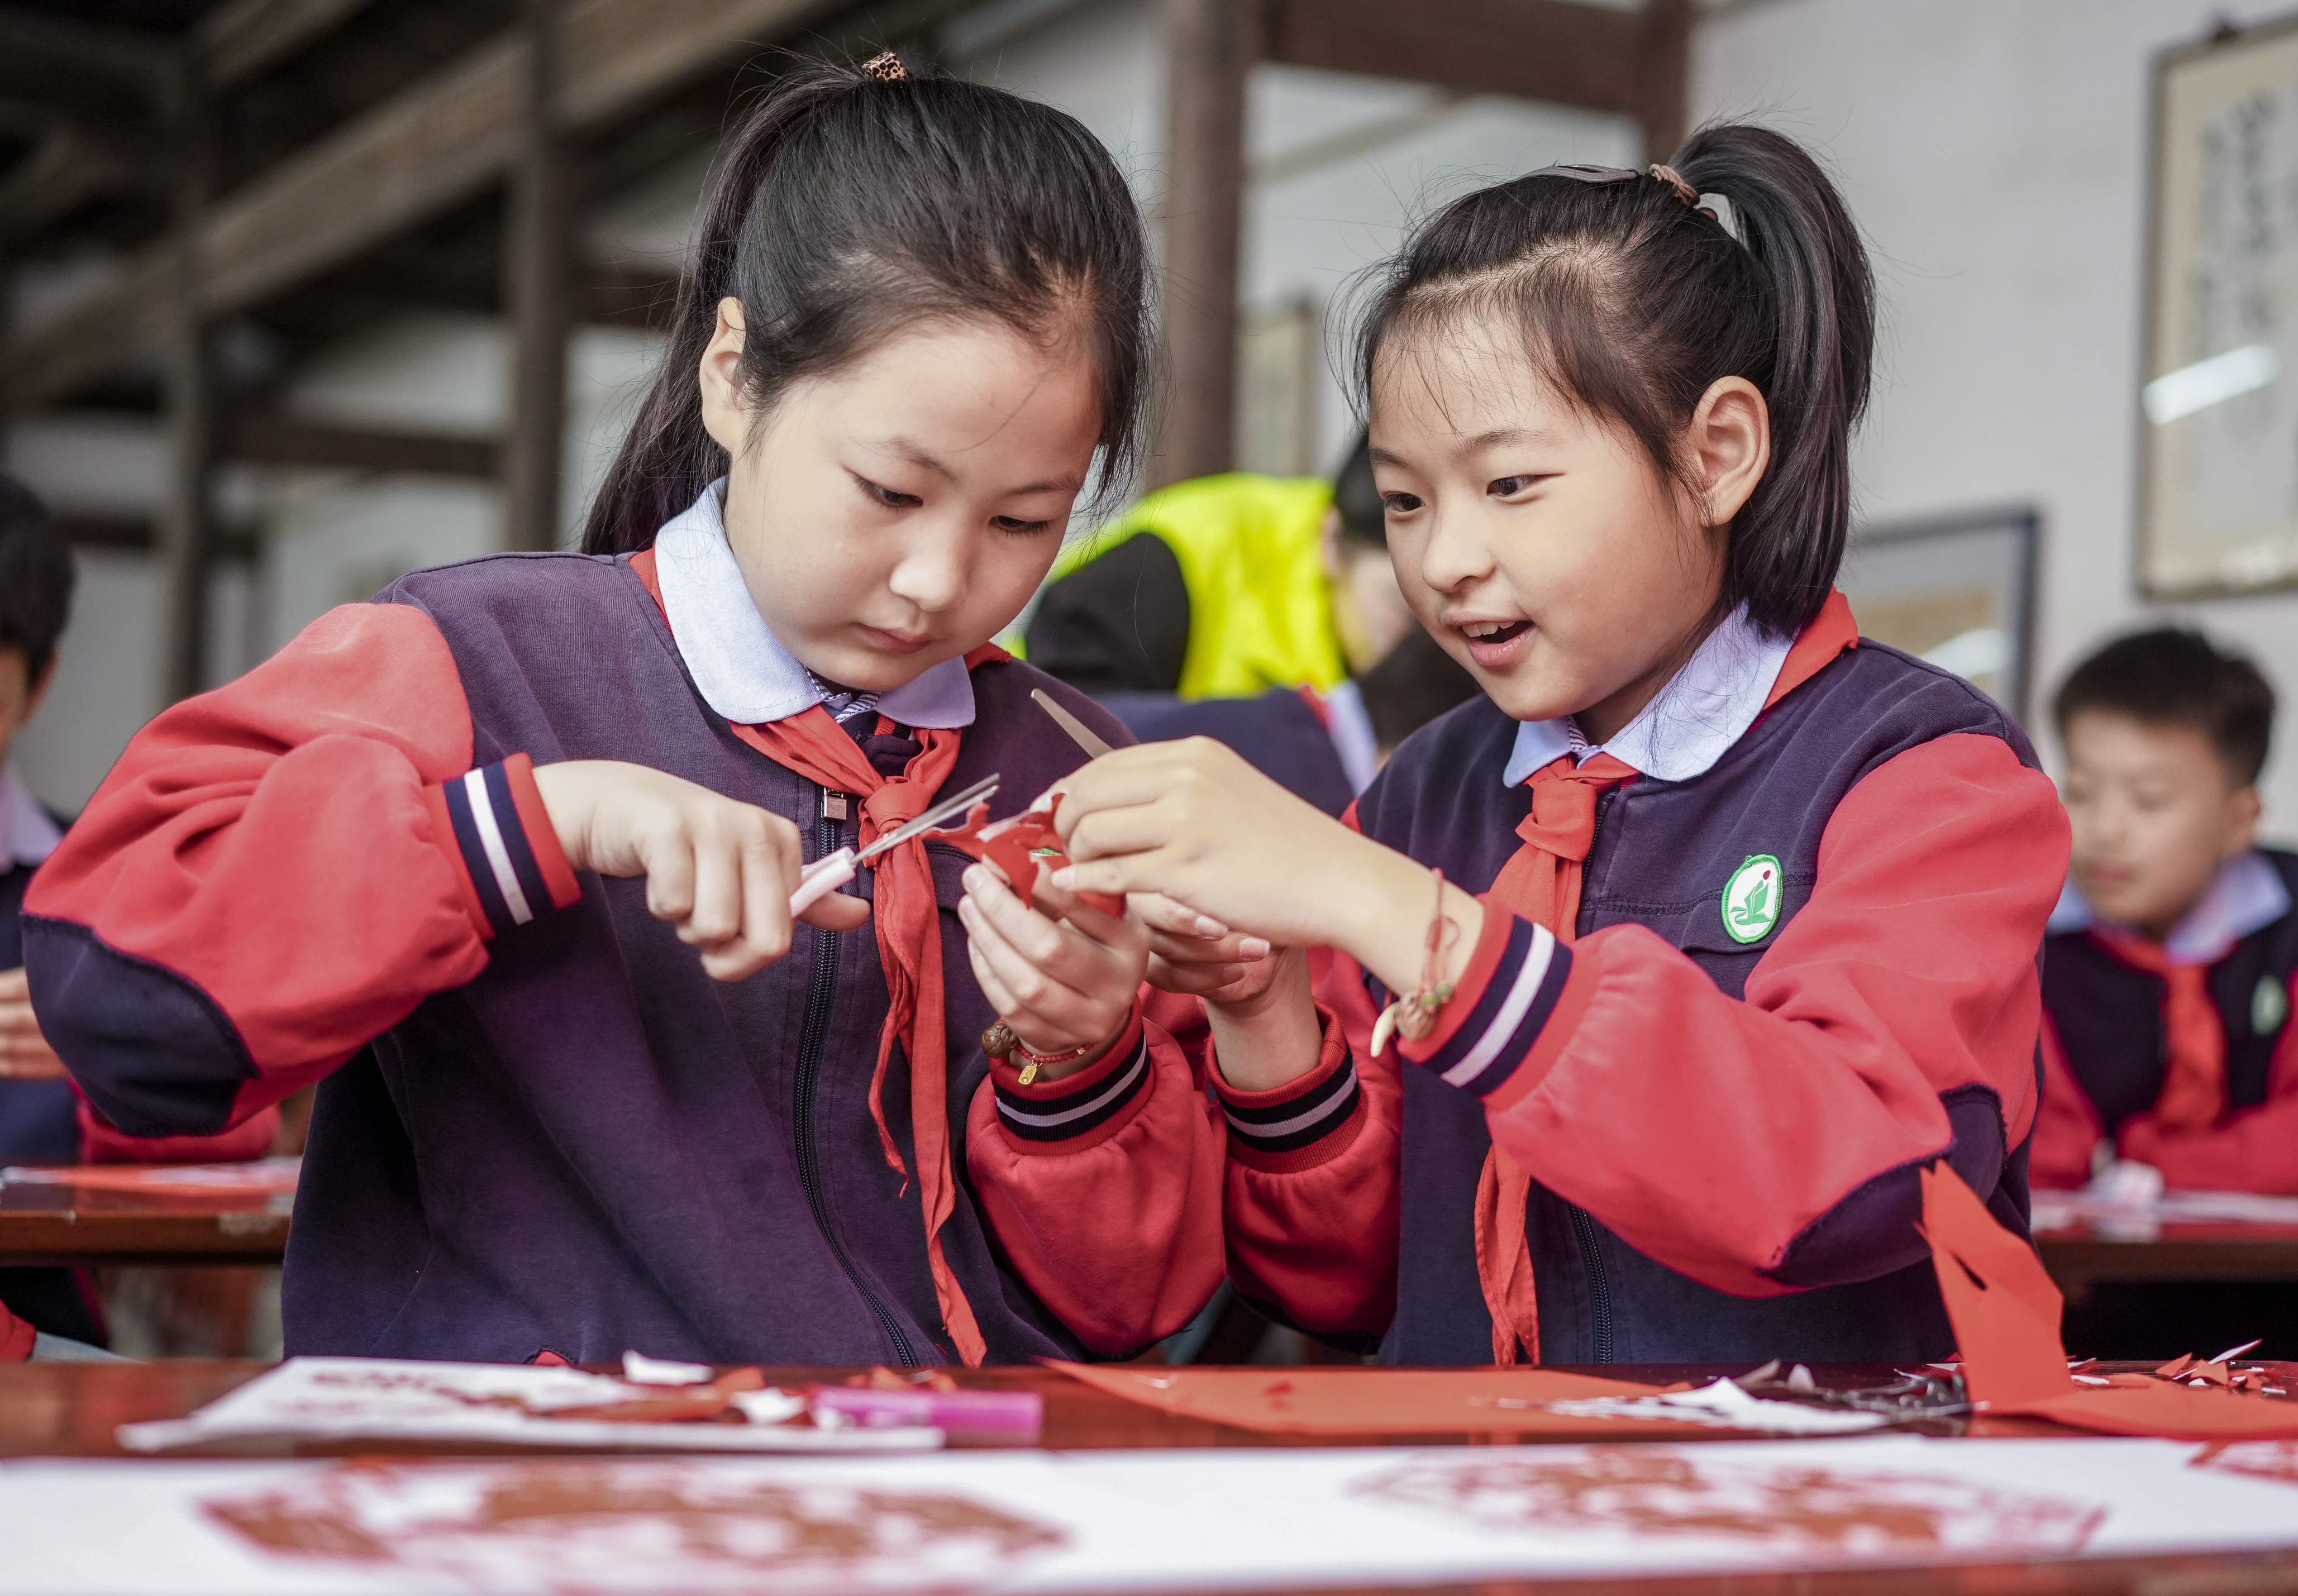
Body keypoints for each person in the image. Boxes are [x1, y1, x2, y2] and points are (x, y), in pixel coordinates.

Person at [22, 58, 1220, 1367]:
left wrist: (1081, 1062)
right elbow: (122, 1000)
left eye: (1022, 520)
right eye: (888, 491)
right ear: (732, 373)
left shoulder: (1063, 765)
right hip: (511, 1508)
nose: (941, 579)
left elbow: (1126, 1309)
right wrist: (528, 820)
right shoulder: (473, 660)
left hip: (900, 1509)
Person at [1046, 133, 2069, 1364]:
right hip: (1479, 1523)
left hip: (1804, 1530)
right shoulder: (1430, 787)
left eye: (1511, 485)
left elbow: (1859, 1174)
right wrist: (1266, 1016)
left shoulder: (1923, 774)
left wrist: (1395, 911)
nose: (1442, 560)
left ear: (1717, 454)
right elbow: (1346, 1285)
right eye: (1409, 500)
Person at [2035, 627, 2298, 1357]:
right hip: (2085, 1311)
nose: (2104, 830)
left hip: (2289, 1310)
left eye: (2149, 799)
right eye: (2080, 790)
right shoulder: (2034, 927)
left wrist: (2138, 1160)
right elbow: (2039, 1150)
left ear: (2238, 820)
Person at [1028, 438, 1477, 811]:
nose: (1433, 646)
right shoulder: (1179, 563)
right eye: (1407, 614)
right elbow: (1055, 737)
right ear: (1331, 540)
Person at [0, 474, 115, 1353]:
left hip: (40, 1351)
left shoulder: (103, 882)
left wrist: (119, 1042)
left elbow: (245, 1120)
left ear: (39, 685)